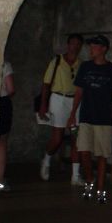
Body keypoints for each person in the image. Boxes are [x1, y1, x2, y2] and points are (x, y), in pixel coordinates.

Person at [67, 35, 112, 204]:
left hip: (104, 118)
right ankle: (89, 179)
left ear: (103, 49)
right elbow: (79, 91)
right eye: (90, 47)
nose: (91, 50)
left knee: (101, 155)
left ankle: (100, 189)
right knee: (84, 151)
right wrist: (72, 114)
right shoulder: (85, 67)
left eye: (94, 47)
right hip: (86, 116)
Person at [38, 33, 84, 185]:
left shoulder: (81, 64)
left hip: (75, 101)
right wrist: (43, 105)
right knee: (57, 138)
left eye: (78, 44)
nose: (75, 47)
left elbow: (81, 87)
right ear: (68, 44)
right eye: (73, 43)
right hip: (58, 98)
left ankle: (75, 176)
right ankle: (46, 160)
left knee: (76, 137)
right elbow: (46, 84)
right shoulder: (57, 61)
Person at [0, 61, 15, 192]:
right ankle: (0, 182)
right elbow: (11, 89)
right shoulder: (4, 64)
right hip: (2, 103)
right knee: (1, 141)